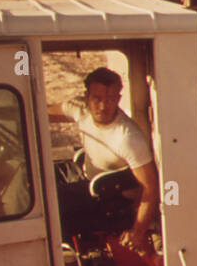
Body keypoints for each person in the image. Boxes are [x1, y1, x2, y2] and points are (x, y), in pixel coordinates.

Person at [49, 68, 158, 255]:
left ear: (118, 98)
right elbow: (46, 112)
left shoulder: (128, 137)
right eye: (97, 99)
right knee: (41, 175)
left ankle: (64, 250)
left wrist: (138, 231)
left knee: (50, 198)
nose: (102, 106)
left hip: (111, 199)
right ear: (86, 97)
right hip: (87, 175)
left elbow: (150, 187)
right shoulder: (80, 110)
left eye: (110, 100)